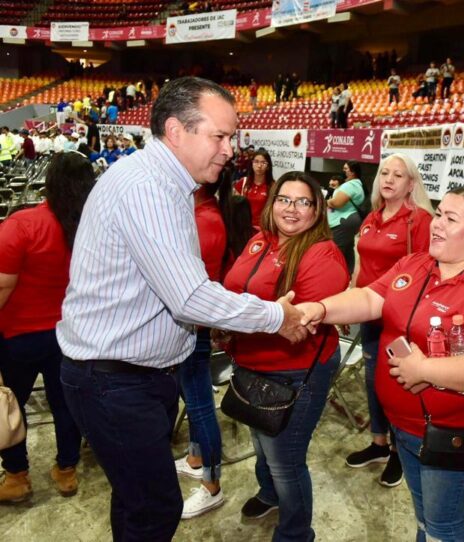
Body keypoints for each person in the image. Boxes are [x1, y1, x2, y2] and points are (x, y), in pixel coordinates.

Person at [56, 76, 307, 542]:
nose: (231, 149)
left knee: (135, 500)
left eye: (232, 137)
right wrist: (279, 316)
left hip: (128, 377)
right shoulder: (148, 187)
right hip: (115, 381)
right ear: (176, 131)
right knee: (155, 508)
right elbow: (189, 296)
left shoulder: (165, 184)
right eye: (221, 135)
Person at [299, 186, 464, 541]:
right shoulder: (415, 264)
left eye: (451, 219)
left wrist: (426, 371)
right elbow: (372, 298)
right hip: (402, 428)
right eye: (438, 215)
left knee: (442, 527)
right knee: (425, 519)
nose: (437, 225)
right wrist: (322, 309)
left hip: (447, 437)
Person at [222, 172, 349, 540]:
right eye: (284, 199)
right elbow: (236, 290)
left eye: (303, 202)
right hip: (251, 363)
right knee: (263, 447)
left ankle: (295, 533)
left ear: (317, 210)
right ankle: (270, 494)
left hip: (293, 373)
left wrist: (238, 318)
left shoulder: (321, 255)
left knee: (285, 461)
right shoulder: (260, 240)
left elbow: (298, 328)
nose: (291, 209)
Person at [0, 153, 95, 503]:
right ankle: (66, 469)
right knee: (64, 403)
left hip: (17, 336)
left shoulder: (22, 224)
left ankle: (17, 475)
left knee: (11, 403)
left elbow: (2, 286)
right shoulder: (92, 229)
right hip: (68, 335)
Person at [343, 153, 433, 488]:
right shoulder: (372, 217)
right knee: (372, 380)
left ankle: (399, 450)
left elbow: (427, 270)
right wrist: (351, 296)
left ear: (411, 184)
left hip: (399, 318)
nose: (389, 179)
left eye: (398, 175)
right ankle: (379, 443)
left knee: (397, 384)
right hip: (369, 314)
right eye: (384, 173)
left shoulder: (419, 220)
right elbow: (360, 263)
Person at [175, 166, 252, 519]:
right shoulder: (199, 212)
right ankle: (195, 458)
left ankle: (212, 484)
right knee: (194, 401)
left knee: (201, 404)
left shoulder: (205, 219)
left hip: (195, 325)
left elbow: (192, 285)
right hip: (192, 323)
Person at [327, 160, 366, 274]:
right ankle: (348, 275)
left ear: (352, 172)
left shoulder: (351, 185)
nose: (343, 171)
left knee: (336, 251)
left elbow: (337, 203)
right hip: (347, 221)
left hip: (343, 221)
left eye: (345, 169)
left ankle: (332, 275)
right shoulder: (357, 184)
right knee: (348, 249)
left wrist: (325, 202)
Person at [234, 147, 274, 231]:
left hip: (262, 230)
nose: (259, 166)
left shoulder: (273, 186)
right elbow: (235, 206)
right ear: (251, 164)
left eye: (263, 162)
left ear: (268, 166)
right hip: (242, 229)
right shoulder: (243, 182)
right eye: (256, 162)